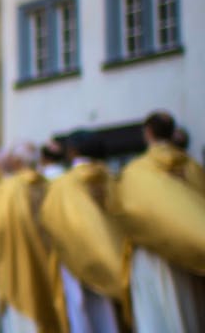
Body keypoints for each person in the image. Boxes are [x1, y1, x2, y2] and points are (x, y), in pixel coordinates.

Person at [113, 111, 205, 333]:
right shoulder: (193, 167)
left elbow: (127, 214)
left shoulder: (136, 171)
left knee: (160, 317)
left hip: (154, 257)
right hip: (193, 256)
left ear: (148, 133)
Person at [40, 130, 126, 333]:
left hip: (75, 257)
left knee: (81, 311)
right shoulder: (114, 179)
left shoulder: (63, 184)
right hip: (114, 255)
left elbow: (51, 219)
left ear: (73, 151)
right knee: (110, 313)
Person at [0, 143, 60, 333]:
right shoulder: (49, 185)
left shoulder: (8, 188)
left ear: (17, 161)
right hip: (48, 259)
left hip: (17, 259)